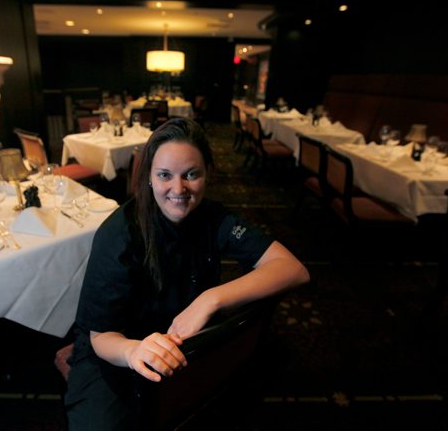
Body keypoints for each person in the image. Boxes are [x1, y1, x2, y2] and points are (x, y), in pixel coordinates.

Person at [64, 118, 310, 430]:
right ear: (150, 177)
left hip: (182, 336)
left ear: (207, 174)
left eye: (191, 175)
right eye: (165, 175)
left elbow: (293, 269)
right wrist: (133, 349)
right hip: (117, 347)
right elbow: (101, 336)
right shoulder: (119, 233)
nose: (178, 190)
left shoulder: (213, 218)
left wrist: (211, 298)